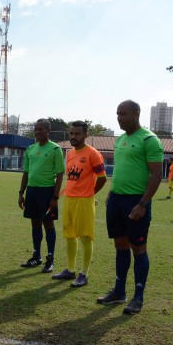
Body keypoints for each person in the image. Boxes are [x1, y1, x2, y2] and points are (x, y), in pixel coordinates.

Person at [96, 100, 164, 315]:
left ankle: (138, 297)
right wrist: (111, 192)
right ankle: (119, 292)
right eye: (117, 114)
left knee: (139, 248)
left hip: (136, 200)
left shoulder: (149, 140)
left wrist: (143, 203)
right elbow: (121, 170)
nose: (119, 117)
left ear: (136, 113)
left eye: (123, 114)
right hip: (116, 199)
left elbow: (156, 174)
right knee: (120, 245)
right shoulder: (120, 140)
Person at [52, 121, 107, 287]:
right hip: (69, 198)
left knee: (85, 237)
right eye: (71, 133)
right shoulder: (70, 154)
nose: (73, 137)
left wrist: (90, 194)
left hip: (84, 201)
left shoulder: (93, 154)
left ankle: (84, 274)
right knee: (69, 236)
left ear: (85, 135)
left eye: (77, 134)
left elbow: (102, 178)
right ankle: (70, 270)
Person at [18, 118, 65, 273]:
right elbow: (26, 173)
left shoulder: (55, 149)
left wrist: (55, 197)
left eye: (41, 129)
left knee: (48, 224)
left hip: (47, 192)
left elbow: (60, 175)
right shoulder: (30, 149)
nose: (37, 132)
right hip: (31, 191)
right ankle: (36, 256)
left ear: (48, 131)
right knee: (35, 223)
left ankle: (50, 258)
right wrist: (21, 193)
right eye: (36, 129)